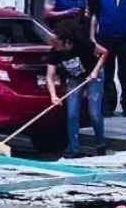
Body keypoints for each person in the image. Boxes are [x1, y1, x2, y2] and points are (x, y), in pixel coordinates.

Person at [45, 19, 108, 158]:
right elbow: (50, 76)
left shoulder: (83, 44)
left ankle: (100, 144)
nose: (55, 46)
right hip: (75, 78)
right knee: (72, 114)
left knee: (94, 113)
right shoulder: (55, 52)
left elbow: (104, 53)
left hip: (93, 77)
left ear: (67, 41)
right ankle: (73, 148)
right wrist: (53, 96)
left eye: (58, 43)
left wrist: (95, 71)